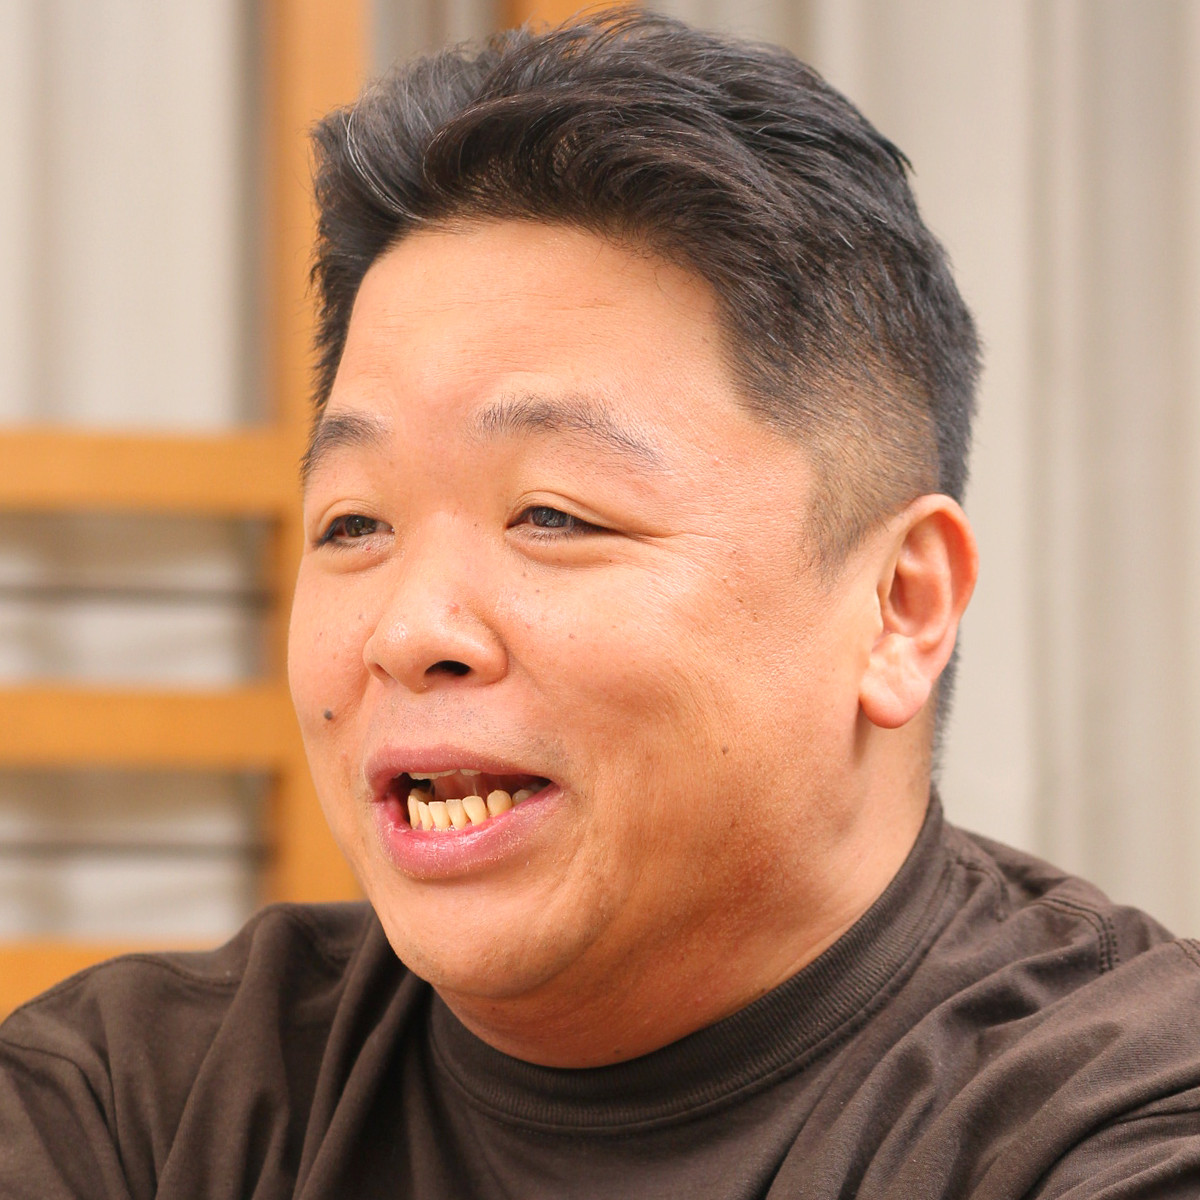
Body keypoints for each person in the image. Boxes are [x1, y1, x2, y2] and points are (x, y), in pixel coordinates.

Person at [2, 10, 1199, 1198]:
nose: (409, 632)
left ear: (899, 606)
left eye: (554, 515)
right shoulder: (131, 1104)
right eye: (355, 524)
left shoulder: (1122, 1118)